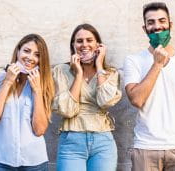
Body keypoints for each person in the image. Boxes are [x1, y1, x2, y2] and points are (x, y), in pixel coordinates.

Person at [124, 2, 175, 171]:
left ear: (170, 24)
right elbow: (137, 100)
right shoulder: (133, 61)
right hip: (146, 148)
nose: (157, 26)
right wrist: (157, 64)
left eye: (162, 21)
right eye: (150, 22)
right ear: (144, 28)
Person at [52, 23, 122, 171]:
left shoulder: (110, 73)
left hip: (103, 141)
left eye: (89, 40)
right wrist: (78, 74)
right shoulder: (61, 71)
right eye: (79, 41)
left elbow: (105, 102)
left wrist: (99, 66)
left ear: (98, 44)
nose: (84, 45)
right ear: (73, 46)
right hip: (71, 141)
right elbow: (67, 110)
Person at [0, 33, 54, 171]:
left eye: (37, 54)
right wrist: (8, 82)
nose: (30, 58)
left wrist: (37, 91)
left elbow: (39, 130)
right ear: (18, 51)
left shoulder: (45, 84)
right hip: (0, 162)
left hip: (35, 164)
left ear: (41, 60)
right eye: (26, 51)